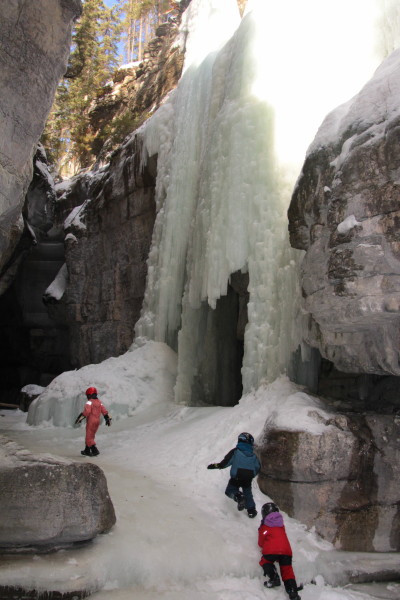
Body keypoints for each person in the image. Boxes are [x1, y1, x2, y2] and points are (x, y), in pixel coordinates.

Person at [207, 432, 260, 518]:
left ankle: (238, 496)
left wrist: (215, 466)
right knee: (248, 493)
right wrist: (252, 474)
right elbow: (258, 467)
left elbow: (225, 463)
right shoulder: (253, 456)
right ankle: (251, 511)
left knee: (230, 490)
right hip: (248, 478)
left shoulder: (235, 452)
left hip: (237, 477)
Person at [258, 502, 302, 600]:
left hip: (271, 551)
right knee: (287, 571)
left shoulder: (265, 526)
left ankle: (274, 578)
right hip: (286, 551)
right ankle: (293, 592)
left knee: (265, 561)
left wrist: (262, 531)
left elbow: (260, 542)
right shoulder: (281, 524)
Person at [75, 386, 112, 457]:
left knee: (89, 436)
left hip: (91, 421)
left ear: (89, 395)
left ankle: (95, 450)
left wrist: (80, 418)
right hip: (97, 422)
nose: (87, 397)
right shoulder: (99, 402)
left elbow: (87, 412)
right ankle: (87, 450)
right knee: (91, 435)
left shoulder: (89, 402)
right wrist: (107, 418)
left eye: (87, 395)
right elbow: (104, 410)